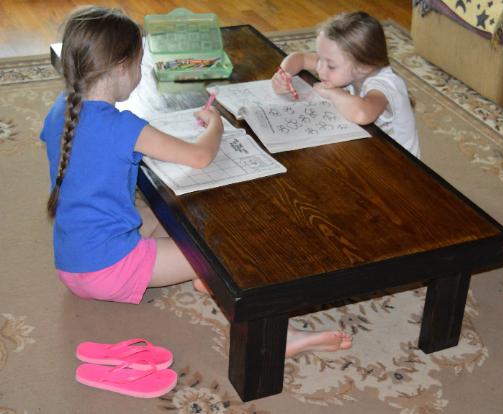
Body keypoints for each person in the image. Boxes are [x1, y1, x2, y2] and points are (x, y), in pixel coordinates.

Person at [41, 5, 352, 358]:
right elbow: (200, 157)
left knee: (170, 210)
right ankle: (283, 336)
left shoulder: (60, 107)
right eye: (140, 65)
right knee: (223, 252)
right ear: (121, 67)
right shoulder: (122, 126)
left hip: (71, 260)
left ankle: (197, 276)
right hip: (108, 268)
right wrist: (216, 124)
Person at [272, 11, 421, 158]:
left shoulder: (385, 84)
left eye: (331, 66)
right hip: (369, 146)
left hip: (399, 165)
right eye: (319, 59)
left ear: (363, 66)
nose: (320, 69)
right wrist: (284, 75)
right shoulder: (354, 66)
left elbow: (362, 114)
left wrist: (334, 93)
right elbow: (300, 58)